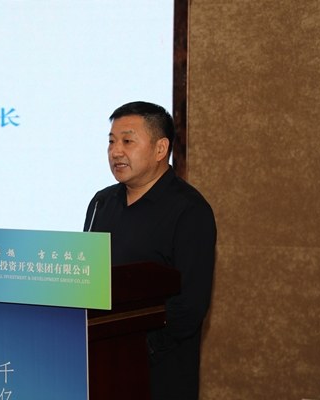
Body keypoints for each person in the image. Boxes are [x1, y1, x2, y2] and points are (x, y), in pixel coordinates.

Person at [83, 101, 216, 400]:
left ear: (160, 148)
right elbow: (88, 280)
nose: (116, 151)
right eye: (111, 142)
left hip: (159, 374)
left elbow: (189, 306)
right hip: (100, 367)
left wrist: (136, 351)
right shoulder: (102, 203)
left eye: (127, 141)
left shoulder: (189, 211)